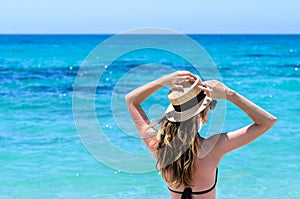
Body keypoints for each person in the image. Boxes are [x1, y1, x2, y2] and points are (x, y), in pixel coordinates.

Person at [125, 71, 277, 199]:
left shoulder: (158, 147)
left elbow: (131, 100)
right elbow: (267, 121)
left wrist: (162, 81)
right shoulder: (214, 147)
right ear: (203, 112)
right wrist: (229, 94)